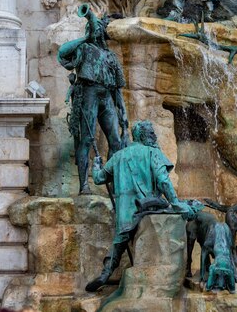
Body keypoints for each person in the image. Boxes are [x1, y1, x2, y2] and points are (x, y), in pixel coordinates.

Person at [85, 120, 199, 292]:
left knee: (120, 240)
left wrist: (96, 165)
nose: (154, 136)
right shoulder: (153, 152)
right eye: (151, 133)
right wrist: (176, 203)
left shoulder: (119, 156)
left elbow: (100, 178)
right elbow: (163, 181)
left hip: (125, 213)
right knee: (180, 211)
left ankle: (106, 272)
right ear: (143, 135)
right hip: (149, 207)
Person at [57, 4, 129, 195]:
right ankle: (84, 186)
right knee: (87, 139)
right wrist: (84, 39)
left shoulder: (110, 56)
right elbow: (62, 53)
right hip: (88, 94)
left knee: (115, 141)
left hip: (107, 97)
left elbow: (118, 88)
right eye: (93, 29)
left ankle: (114, 184)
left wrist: (123, 111)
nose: (96, 32)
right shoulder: (84, 49)